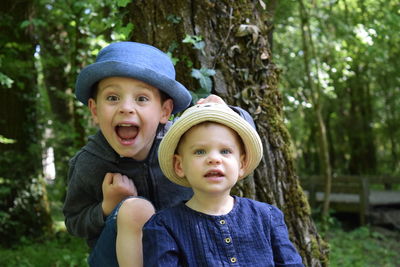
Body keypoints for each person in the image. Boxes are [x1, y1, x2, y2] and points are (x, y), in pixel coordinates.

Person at [62, 41, 253, 267]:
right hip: (113, 257)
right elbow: (74, 221)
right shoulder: (89, 162)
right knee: (134, 209)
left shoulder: (179, 143)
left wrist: (226, 112)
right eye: (112, 98)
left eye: (141, 98)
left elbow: (240, 139)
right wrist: (107, 206)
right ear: (95, 110)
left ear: (165, 111)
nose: (126, 108)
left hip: (182, 249)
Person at [142, 103, 304, 267]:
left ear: (241, 164)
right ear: (180, 165)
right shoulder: (164, 226)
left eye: (225, 151)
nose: (214, 159)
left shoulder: (267, 217)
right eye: (199, 151)